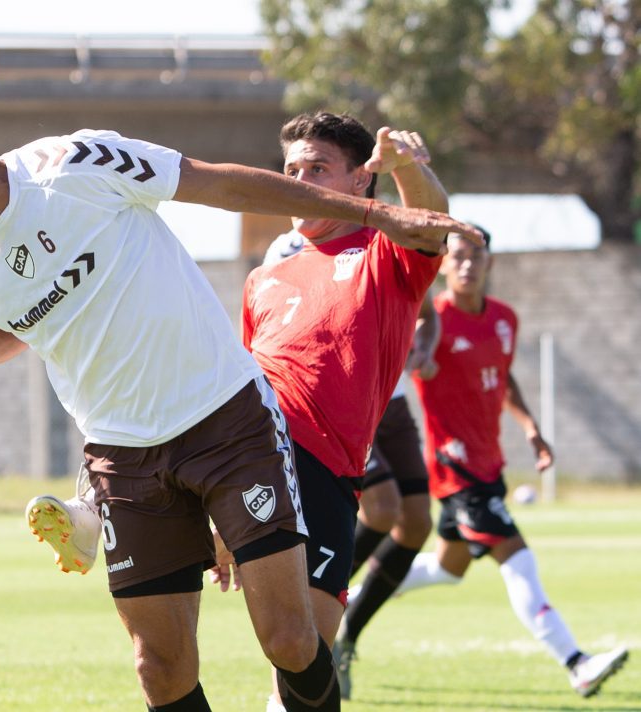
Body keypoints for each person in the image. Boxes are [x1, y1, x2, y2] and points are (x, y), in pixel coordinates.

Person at [0, 89, 481, 711]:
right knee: (160, 668)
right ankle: (90, 506)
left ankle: (90, 517)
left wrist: (374, 214)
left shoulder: (77, 164)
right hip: (121, 457)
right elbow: (11, 329)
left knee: (290, 640)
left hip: (225, 422)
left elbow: (220, 185)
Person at [212, 112, 451, 712]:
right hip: (256, 456)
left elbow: (429, 223)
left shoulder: (383, 253)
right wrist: (220, 512)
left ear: (358, 184)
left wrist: (406, 169)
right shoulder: (264, 278)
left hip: (328, 472)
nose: (299, 180)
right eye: (291, 170)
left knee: (303, 653)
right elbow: (244, 387)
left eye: (317, 168)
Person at [392, 228, 629, 698]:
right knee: (517, 556)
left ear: (490, 262)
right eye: (457, 256)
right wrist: (417, 361)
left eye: (476, 255)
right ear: (441, 265)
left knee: (446, 568)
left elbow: (502, 378)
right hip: (454, 467)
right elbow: (401, 363)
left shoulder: (504, 319)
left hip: (488, 463)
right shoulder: (431, 321)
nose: (467, 264)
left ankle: (345, 603)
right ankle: (576, 662)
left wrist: (530, 427)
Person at [331, 293, 439, 699]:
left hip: (393, 404)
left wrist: (424, 349)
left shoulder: (390, 248)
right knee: (382, 510)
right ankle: (314, 597)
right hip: (351, 402)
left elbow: (428, 313)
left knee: (416, 524)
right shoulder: (289, 251)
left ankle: (347, 636)